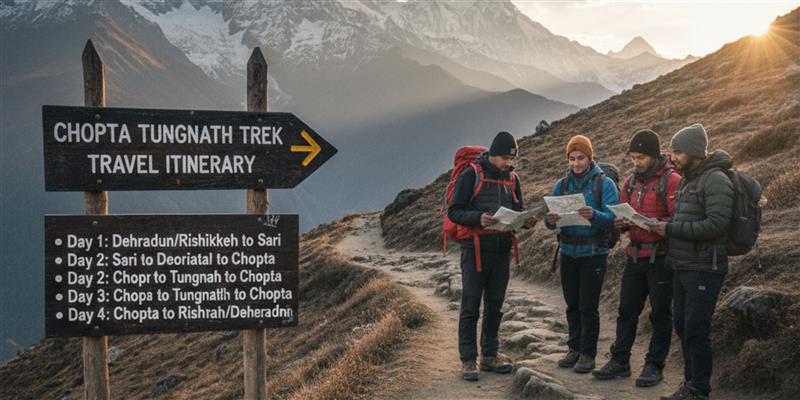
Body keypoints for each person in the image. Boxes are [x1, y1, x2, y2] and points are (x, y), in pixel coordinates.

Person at [646, 124, 734, 400]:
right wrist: (664, 225)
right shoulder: (688, 179)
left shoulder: (715, 179)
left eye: (678, 152)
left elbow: (716, 224)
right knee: (683, 326)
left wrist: (670, 229)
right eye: (671, 151)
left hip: (705, 267)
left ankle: (699, 389)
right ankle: (690, 384)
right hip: (683, 265)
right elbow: (687, 219)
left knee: (696, 329)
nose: (672, 157)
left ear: (694, 152)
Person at [592, 129, 680, 387]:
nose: (635, 162)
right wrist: (621, 224)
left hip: (661, 258)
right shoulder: (630, 182)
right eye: (632, 157)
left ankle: (654, 366)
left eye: (640, 157)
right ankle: (620, 360)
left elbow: (679, 219)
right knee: (626, 311)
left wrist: (659, 225)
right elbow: (622, 214)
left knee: (660, 314)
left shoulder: (672, 180)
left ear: (653, 155)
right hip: (634, 255)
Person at [447, 131, 537, 381]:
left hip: (501, 249)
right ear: (493, 154)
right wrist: (479, 218)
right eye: (504, 159)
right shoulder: (471, 175)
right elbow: (454, 211)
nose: (508, 163)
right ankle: (468, 360)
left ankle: (489, 356)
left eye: (511, 159)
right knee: (471, 305)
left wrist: (524, 221)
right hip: (475, 249)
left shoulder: (513, 179)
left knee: (495, 305)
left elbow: (517, 209)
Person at [545, 134, 619, 374]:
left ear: (590, 158)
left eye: (581, 158)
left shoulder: (604, 184)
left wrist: (594, 215)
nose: (576, 163)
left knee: (588, 306)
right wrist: (549, 219)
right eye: (572, 158)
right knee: (572, 305)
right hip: (568, 252)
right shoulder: (562, 185)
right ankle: (574, 349)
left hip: (594, 253)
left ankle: (588, 354)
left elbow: (613, 219)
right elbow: (549, 221)